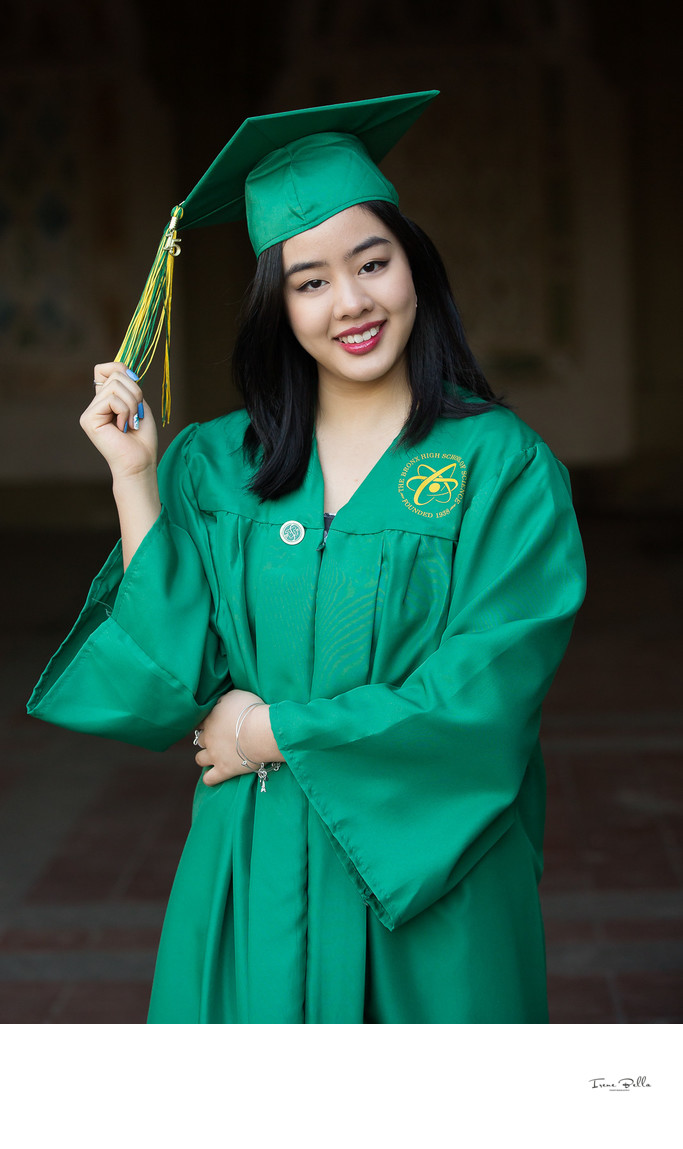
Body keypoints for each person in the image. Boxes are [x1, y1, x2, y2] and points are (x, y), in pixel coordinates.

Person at [27, 91, 586, 1023]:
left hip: (430, 881)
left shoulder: (502, 468)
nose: (352, 302)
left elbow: (483, 692)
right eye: (311, 280)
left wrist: (266, 733)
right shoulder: (212, 463)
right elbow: (176, 674)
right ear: (276, 305)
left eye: (373, 262)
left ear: (416, 267)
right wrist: (135, 478)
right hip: (253, 868)